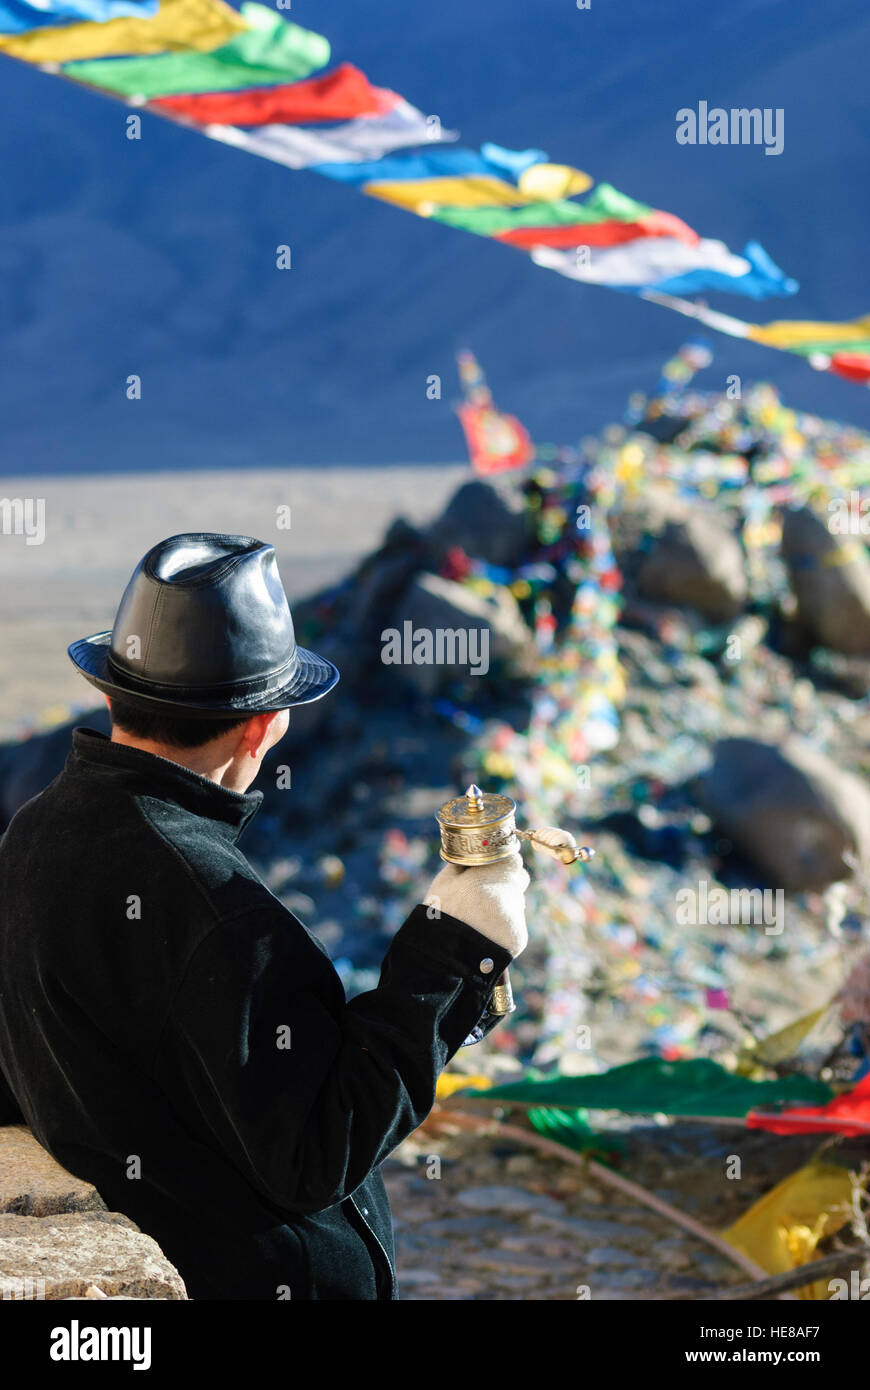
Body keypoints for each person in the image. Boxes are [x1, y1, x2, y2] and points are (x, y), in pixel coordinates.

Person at [0, 532, 529, 1301]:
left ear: (111, 693)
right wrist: (453, 956)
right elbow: (319, 1154)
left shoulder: (32, 833)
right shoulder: (217, 908)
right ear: (266, 724)